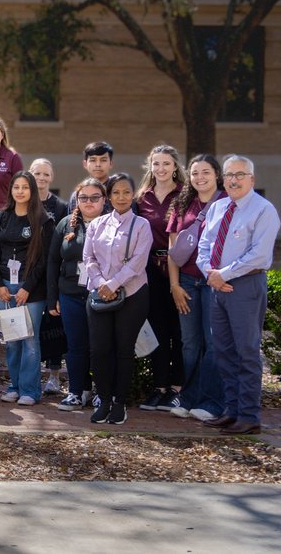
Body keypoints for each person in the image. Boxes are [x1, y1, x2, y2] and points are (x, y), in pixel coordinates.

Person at [196, 155, 280, 436]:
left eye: (240, 174)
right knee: (223, 351)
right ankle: (231, 411)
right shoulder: (218, 207)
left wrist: (224, 274)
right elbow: (204, 244)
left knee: (246, 352)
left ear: (252, 179)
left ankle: (249, 415)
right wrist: (210, 272)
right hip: (217, 286)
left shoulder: (263, 210)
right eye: (229, 174)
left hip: (245, 286)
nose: (233, 180)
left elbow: (259, 254)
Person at [83, 172, 152, 425]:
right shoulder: (96, 225)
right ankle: (104, 400)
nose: (121, 197)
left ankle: (120, 404)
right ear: (108, 196)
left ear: (132, 194)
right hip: (99, 295)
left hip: (132, 295)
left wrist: (113, 283)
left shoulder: (142, 226)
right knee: (100, 351)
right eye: (115, 192)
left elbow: (138, 262)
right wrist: (102, 284)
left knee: (124, 350)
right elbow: (88, 258)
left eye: (126, 192)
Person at [166, 154, 227, 422]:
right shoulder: (182, 204)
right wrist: (175, 285)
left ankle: (211, 402)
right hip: (188, 283)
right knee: (190, 344)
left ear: (216, 174)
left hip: (215, 282)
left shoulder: (228, 203)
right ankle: (189, 398)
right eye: (194, 173)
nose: (200, 178)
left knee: (214, 343)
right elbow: (172, 250)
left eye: (206, 172)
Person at [0, 170, 55, 406]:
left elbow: (44, 259)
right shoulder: (1, 217)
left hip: (31, 289)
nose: (20, 191)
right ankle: (14, 386)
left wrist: (27, 287)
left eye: (25, 187)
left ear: (32, 191)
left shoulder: (43, 220)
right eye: (16, 187)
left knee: (29, 340)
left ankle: (30, 390)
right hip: (6, 287)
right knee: (12, 339)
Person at [132, 144, 187, 413]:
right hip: (150, 269)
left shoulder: (186, 195)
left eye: (166, 163)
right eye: (156, 164)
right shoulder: (143, 197)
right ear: (150, 166)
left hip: (180, 268)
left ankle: (177, 389)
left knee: (179, 331)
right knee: (157, 330)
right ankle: (159, 387)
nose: (161, 169)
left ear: (175, 166)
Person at [46, 178, 106, 412]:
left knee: (100, 346)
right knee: (75, 346)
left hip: (102, 295)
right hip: (70, 294)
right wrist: (53, 298)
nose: (89, 202)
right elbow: (53, 261)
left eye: (94, 197)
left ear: (104, 200)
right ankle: (77, 392)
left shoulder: (112, 225)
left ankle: (102, 392)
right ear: (76, 201)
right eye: (83, 198)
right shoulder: (65, 225)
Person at [27, 157, 68, 394]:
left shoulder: (61, 207)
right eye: (37, 173)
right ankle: (29, 376)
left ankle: (54, 375)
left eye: (45, 174)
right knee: (31, 326)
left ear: (51, 178)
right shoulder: (23, 201)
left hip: (52, 271)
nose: (41, 178)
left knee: (54, 322)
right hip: (28, 272)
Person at [67, 141, 116, 213]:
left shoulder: (119, 191)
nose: (98, 164)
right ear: (85, 164)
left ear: (111, 163)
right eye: (93, 160)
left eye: (103, 160)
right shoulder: (78, 195)